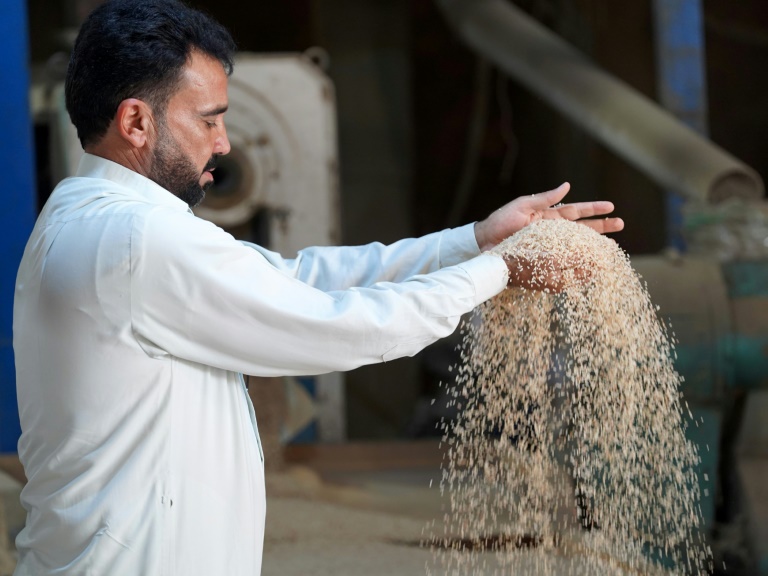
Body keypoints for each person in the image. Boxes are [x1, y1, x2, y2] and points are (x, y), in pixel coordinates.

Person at [12, 0, 624, 574]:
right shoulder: (133, 240)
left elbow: (294, 277)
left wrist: (474, 241)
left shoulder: (96, 220)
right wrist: (503, 271)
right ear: (137, 121)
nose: (223, 142)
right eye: (208, 119)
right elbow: (335, 323)